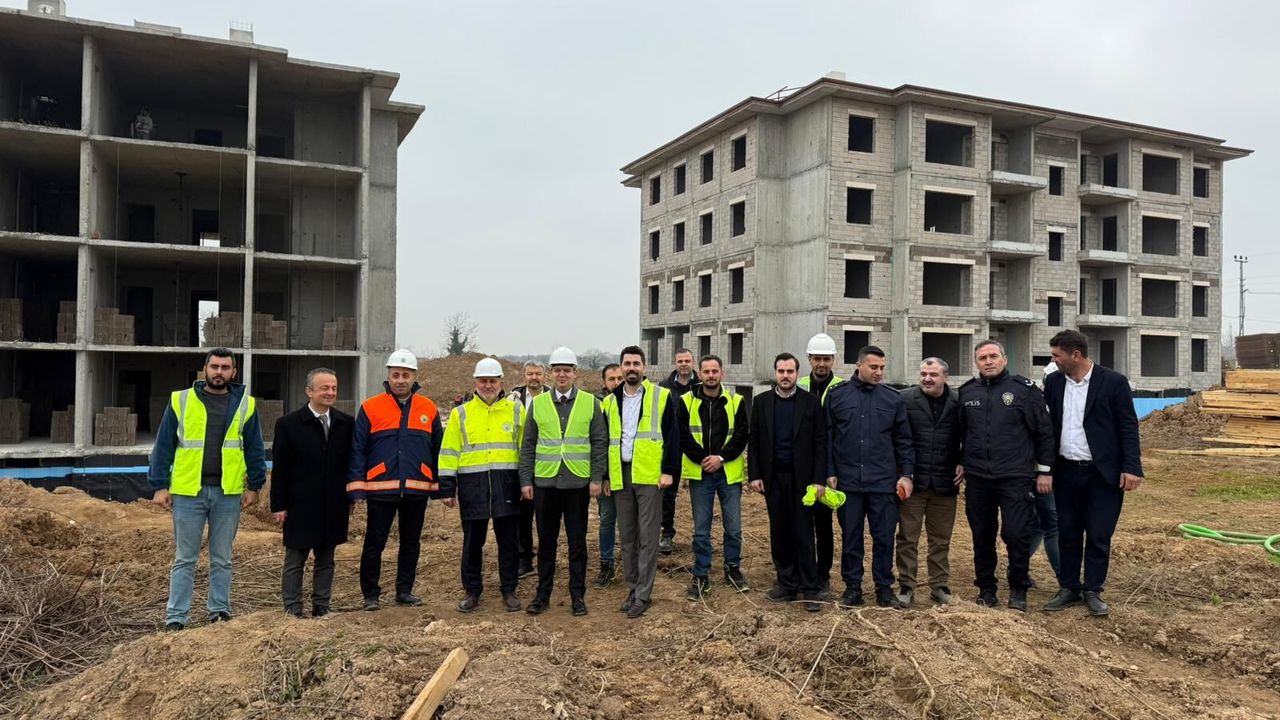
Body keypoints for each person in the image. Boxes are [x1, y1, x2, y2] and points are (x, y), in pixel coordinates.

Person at [148, 348, 266, 631]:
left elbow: (254, 447)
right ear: (205, 369)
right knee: (185, 558)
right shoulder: (181, 400)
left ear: (233, 372)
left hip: (227, 493)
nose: (219, 372)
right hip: (188, 492)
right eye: (214, 366)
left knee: (222, 558)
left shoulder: (245, 404)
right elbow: (164, 445)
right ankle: (176, 617)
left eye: (225, 367)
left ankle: (219, 612)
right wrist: (160, 485)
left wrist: (255, 486)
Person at [1043, 330, 1144, 617]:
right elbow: (1048, 428)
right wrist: (1045, 468)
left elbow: (1128, 426)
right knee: (1068, 532)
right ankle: (1069, 587)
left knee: (1099, 534)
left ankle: (1092, 590)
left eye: (1056, 355)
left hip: (1103, 474)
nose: (1053, 360)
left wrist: (1131, 467)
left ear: (1075, 355)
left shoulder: (1113, 382)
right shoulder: (1054, 382)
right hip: (1066, 471)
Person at [957, 339, 1056, 611]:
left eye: (993, 356)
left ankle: (1018, 588)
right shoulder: (967, 392)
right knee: (982, 536)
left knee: (1016, 534)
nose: (988, 362)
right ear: (976, 363)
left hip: (1015, 477)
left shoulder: (1024, 391)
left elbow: (1044, 433)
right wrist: (961, 462)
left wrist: (1045, 471)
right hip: (978, 478)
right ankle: (986, 589)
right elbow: (961, 433)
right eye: (982, 358)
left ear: (1005, 359)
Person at [348, 349, 448, 611]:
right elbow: (358, 449)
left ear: (414, 377)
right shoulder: (371, 407)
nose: (400, 380)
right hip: (380, 488)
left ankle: (404, 591)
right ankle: (370, 595)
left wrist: (439, 486)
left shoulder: (428, 408)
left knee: (411, 543)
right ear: (388, 376)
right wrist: (357, 488)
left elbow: (438, 450)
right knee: (374, 543)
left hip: (416, 488)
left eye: (405, 375)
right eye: (396, 375)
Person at [519, 347, 608, 616]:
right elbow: (528, 445)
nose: (562, 375)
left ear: (574, 373)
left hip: (576, 484)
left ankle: (577, 596)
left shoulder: (591, 403)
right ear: (550, 373)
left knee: (577, 544)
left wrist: (596, 477)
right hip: (545, 484)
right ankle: (542, 595)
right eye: (557, 370)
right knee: (546, 544)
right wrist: (526, 480)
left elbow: (599, 443)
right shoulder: (538, 404)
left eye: (566, 370)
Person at [825, 345, 915, 609]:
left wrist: (906, 474)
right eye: (873, 367)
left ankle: (884, 588)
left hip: (883, 483)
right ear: (859, 365)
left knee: (884, 537)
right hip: (848, 482)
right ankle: (852, 588)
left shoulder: (892, 399)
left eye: (882, 368)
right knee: (851, 537)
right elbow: (828, 437)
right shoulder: (837, 396)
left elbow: (903, 440)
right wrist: (830, 471)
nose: (879, 372)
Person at [602, 345, 681, 618]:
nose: (632, 368)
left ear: (644, 367)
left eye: (636, 363)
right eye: (627, 364)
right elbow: (605, 442)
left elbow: (673, 437)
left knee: (647, 537)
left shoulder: (661, 396)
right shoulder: (609, 402)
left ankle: (643, 594)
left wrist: (669, 471)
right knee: (627, 537)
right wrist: (605, 475)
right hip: (621, 475)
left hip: (650, 476)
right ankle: (633, 588)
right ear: (621, 367)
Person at [441, 357, 525, 614]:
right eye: (483, 381)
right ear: (475, 383)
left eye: (492, 381)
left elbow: (525, 450)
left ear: (501, 382)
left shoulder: (516, 410)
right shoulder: (460, 414)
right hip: (473, 487)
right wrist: (447, 487)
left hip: (507, 485)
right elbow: (449, 451)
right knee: (472, 542)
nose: (488, 385)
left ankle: (509, 589)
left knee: (508, 542)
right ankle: (472, 591)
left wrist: (526, 483)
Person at [270, 368, 354, 619]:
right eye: (324, 388)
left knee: (326, 559)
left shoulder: (345, 423)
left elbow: (351, 463)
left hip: (333, 503)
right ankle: (293, 608)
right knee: (296, 559)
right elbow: (280, 468)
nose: (330, 393)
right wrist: (279, 505)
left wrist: (350, 496)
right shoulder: (288, 424)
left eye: (334, 388)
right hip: (300, 504)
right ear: (309, 391)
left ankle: (321, 606)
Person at [748, 352, 827, 612]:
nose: (785, 376)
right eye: (781, 371)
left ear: (797, 374)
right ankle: (786, 583)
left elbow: (820, 442)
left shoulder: (811, 403)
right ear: (775, 373)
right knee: (779, 532)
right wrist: (755, 475)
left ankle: (810, 587)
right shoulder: (761, 403)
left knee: (803, 532)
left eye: (790, 371)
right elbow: (754, 441)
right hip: (773, 479)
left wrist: (819, 480)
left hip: (802, 480)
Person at [678, 355, 750, 600]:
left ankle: (732, 569)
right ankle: (701, 574)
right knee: (701, 530)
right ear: (699, 374)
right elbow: (683, 435)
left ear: (722, 373)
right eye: (706, 371)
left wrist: (720, 458)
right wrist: (703, 459)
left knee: (734, 528)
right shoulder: (686, 401)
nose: (710, 375)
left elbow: (741, 435)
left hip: (728, 473)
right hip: (701, 474)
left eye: (714, 371)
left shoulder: (736, 401)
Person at [894, 358, 961, 607]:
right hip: (913, 482)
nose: (927, 379)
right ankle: (906, 584)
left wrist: (963, 460)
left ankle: (939, 585)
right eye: (923, 374)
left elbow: (970, 434)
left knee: (941, 539)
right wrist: (903, 474)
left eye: (933, 374)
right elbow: (897, 438)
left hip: (945, 483)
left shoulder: (959, 402)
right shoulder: (904, 400)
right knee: (907, 537)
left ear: (946, 377)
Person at [798, 332, 842, 597]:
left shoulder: (842, 388)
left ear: (833, 359)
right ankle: (803, 571)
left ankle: (822, 575)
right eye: (817, 359)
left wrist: (831, 470)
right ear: (809, 359)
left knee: (824, 526)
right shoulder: (800, 385)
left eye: (826, 359)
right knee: (801, 523)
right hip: (803, 466)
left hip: (829, 469)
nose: (821, 364)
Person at [658, 348, 699, 555]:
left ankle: (701, 536)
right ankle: (666, 533)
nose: (684, 364)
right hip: (671, 445)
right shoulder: (664, 387)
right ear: (675, 363)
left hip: (696, 446)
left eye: (687, 360)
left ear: (693, 362)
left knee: (701, 492)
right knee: (668, 492)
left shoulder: (701, 385)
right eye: (680, 361)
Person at [510, 360, 547, 579]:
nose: (534, 377)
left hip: (544, 467)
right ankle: (524, 560)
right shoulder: (512, 399)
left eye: (538, 374)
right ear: (524, 375)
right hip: (521, 466)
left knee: (545, 517)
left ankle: (545, 558)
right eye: (530, 374)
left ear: (544, 376)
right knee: (522, 518)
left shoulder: (551, 398)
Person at [1029, 362, 1063, 583]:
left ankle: (1017, 568)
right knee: (1051, 524)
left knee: (1038, 525)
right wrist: (1043, 471)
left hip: (1048, 471)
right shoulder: (1042, 405)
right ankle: (1065, 579)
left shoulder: (1050, 403)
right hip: (1042, 473)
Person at [594, 363, 624, 587]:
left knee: (631, 522)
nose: (616, 382)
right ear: (604, 382)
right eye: (611, 379)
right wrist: (603, 476)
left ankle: (633, 562)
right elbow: (599, 444)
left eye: (619, 378)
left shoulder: (637, 401)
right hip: (608, 476)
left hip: (632, 473)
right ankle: (606, 563)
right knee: (607, 519)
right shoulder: (598, 406)